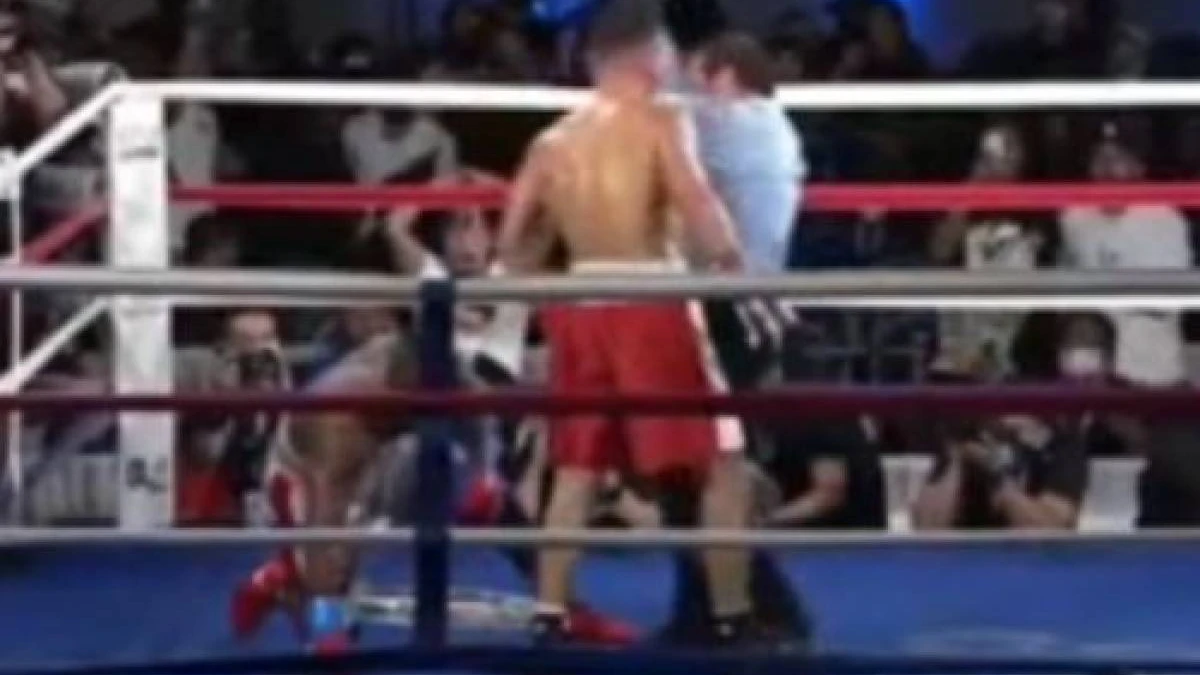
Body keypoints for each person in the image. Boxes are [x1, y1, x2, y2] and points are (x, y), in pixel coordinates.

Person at [495, 0, 757, 645]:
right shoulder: (662, 118)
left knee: (577, 468)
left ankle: (550, 614)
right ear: (650, 55)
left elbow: (511, 243)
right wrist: (738, 267)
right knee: (723, 462)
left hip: (582, 301)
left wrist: (550, 276)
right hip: (652, 296)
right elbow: (695, 199)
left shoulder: (553, 140)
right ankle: (732, 617)